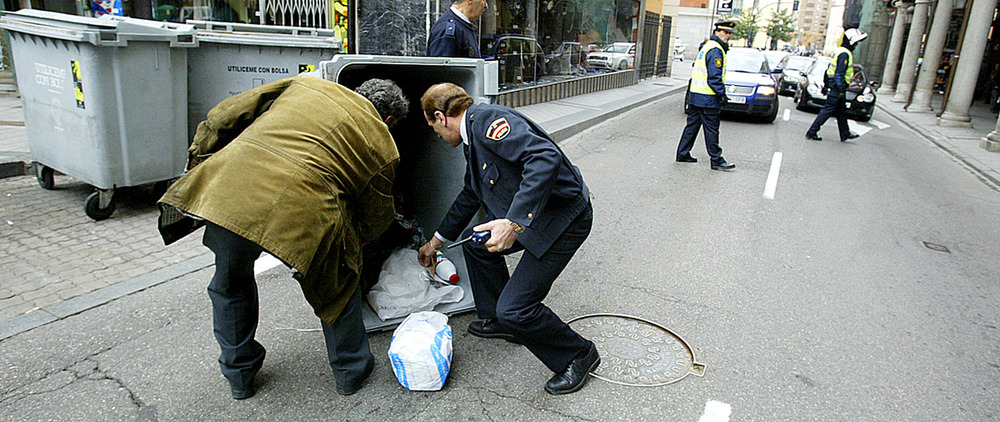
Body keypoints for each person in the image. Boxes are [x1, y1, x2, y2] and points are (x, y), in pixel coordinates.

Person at [156, 75, 409, 400]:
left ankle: (240, 378)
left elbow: (221, 116)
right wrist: (359, 244)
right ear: (388, 119)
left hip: (232, 187)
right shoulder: (383, 143)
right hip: (306, 209)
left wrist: (198, 166)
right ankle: (351, 372)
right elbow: (376, 214)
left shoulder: (306, 85)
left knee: (230, 285)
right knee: (339, 286)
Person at [417, 83, 599, 395]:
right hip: (536, 217)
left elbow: (544, 158)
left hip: (563, 221)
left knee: (516, 308)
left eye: (433, 127)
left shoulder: (488, 123)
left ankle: (578, 354)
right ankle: (500, 321)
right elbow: (471, 193)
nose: (436, 134)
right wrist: (436, 242)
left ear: (440, 117)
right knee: (476, 245)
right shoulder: (471, 138)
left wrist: (513, 224)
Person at [676, 20, 736, 171]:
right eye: (725, 32)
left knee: (692, 126)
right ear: (717, 32)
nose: (728, 36)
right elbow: (714, 77)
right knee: (711, 129)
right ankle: (717, 160)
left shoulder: (707, 46)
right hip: (708, 98)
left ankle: (682, 153)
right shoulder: (716, 50)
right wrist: (722, 95)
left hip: (696, 95)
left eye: (729, 33)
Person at [805, 28, 868, 141]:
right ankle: (812, 132)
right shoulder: (844, 53)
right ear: (852, 41)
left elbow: (829, 70)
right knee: (827, 110)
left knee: (841, 112)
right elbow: (839, 73)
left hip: (835, 86)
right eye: (856, 42)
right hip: (837, 87)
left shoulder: (840, 51)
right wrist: (840, 89)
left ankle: (845, 133)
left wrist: (826, 85)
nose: (857, 45)